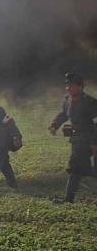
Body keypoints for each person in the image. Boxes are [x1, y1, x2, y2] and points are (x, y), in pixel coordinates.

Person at [48, 73, 97, 203]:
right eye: (67, 86)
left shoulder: (90, 103)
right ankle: (69, 199)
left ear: (80, 87)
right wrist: (54, 125)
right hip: (76, 139)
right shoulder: (67, 100)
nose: (68, 88)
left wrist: (94, 144)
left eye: (72, 86)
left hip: (89, 138)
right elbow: (64, 114)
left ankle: (68, 199)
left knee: (75, 166)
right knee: (85, 169)